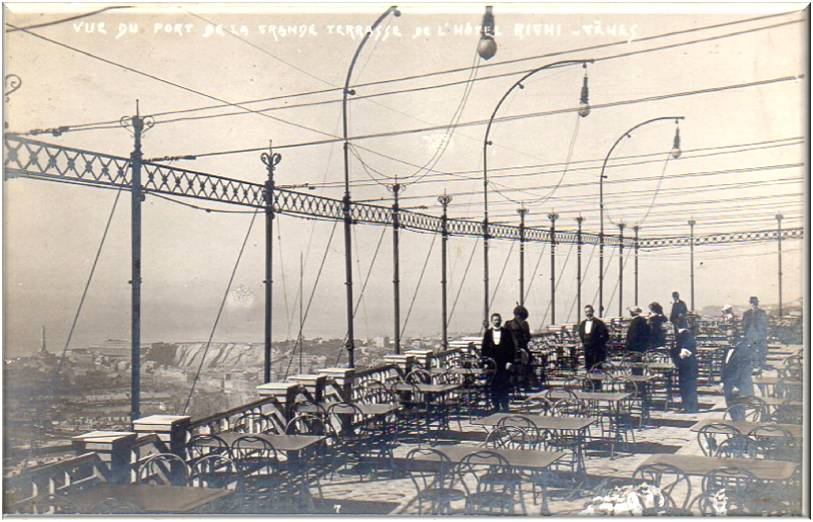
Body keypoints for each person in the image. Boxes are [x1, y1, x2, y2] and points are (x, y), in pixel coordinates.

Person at [481, 313, 516, 412]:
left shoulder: (506, 332)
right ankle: (495, 406)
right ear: (492, 321)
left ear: (501, 320)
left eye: (498, 320)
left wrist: (510, 361)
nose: (497, 321)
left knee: (504, 384)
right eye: (495, 320)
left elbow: (512, 348)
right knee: (493, 385)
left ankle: (505, 406)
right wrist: (485, 361)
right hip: (492, 364)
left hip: (504, 363)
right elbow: (484, 349)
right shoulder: (488, 333)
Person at [719, 339, 755, 420]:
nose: (729, 339)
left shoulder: (743, 351)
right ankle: (735, 425)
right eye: (728, 337)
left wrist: (736, 385)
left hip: (737, 384)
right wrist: (721, 381)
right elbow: (723, 367)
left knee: (739, 408)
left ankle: (741, 426)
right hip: (727, 383)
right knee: (730, 407)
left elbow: (744, 370)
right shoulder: (727, 350)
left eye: (732, 337)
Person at [504, 305, 535, 390]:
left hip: (510, 350)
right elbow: (527, 337)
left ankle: (511, 384)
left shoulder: (508, 323)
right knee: (527, 363)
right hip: (522, 349)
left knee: (511, 367)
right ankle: (524, 383)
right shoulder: (524, 324)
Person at [670, 327, 699, 413]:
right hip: (688, 366)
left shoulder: (684, 336)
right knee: (687, 387)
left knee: (688, 387)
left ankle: (690, 407)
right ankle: (688, 406)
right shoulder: (687, 335)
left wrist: (675, 358)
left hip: (688, 366)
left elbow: (683, 353)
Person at [578, 305, 610, 372]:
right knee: (588, 365)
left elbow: (606, 335)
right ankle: (589, 376)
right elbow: (581, 334)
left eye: (589, 311)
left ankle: (597, 377)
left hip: (596, 348)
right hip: (586, 346)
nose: (588, 313)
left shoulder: (599, 323)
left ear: (593, 311)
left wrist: (600, 344)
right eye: (586, 312)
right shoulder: (583, 323)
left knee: (597, 366)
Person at [742, 296, 769, 369]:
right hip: (750, 334)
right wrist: (745, 334)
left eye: (755, 303)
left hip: (760, 334)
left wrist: (765, 334)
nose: (754, 304)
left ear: (757, 303)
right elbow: (744, 325)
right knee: (750, 349)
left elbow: (765, 324)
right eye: (752, 303)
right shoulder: (746, 313)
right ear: (750, 303)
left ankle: (760, 364)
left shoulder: (762, 312)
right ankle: (752, 364)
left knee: (760, 349)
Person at [626, 306, 650, 375]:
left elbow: (632, 335)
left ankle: (635, 376)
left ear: (632, 313)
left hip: (634, 346)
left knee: (635, 363)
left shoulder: (635, 321)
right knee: (639, 362)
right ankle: (639, 376)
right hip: (642, 346)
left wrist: (629, 345)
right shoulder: (644, 320)